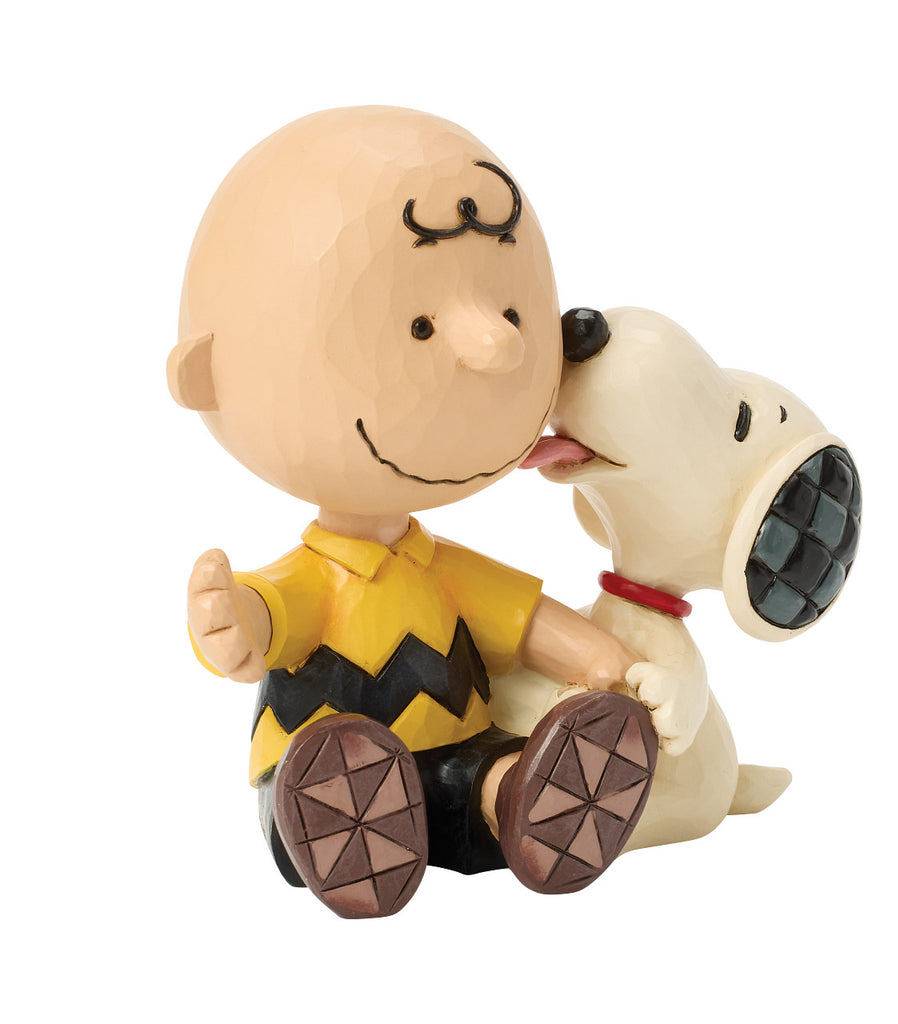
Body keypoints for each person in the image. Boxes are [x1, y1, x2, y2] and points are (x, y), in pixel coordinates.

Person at [168, 107, 658, 918]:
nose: (499, 348)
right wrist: (233, 624)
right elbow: (266, 617)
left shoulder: (446, 571)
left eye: (513, 314)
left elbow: (526, 622)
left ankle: (522, 799)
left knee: (485, 775)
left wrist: (606, 665)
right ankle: (340, 808)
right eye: (420, 326)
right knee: (328, 781)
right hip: (316, 769)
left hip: (454, 750)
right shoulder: (315, 579)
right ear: (205, 374)